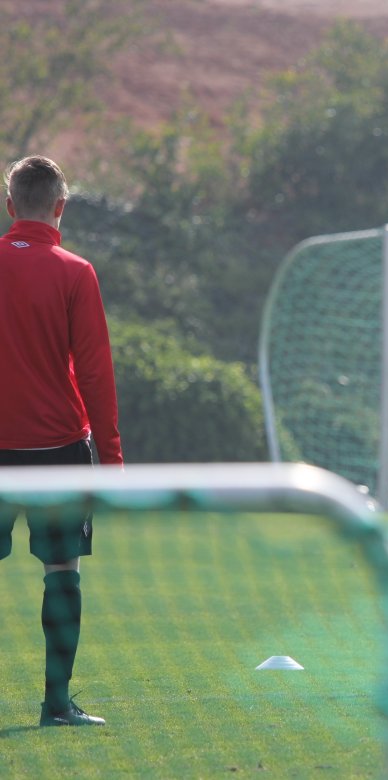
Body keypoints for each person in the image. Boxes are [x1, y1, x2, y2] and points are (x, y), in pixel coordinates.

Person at [0, 156, 122, 726]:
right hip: (58, 451)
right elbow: (95, 373)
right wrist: (112, 461)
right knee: (61, 569)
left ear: (9, 206)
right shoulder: (76, 271)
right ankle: (56, 703)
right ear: (60, 207)